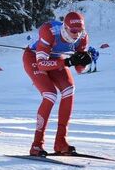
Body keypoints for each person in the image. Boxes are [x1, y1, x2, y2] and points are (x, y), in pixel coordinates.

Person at [23, 11, 92, 156]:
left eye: (80, 31)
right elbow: (41, 64)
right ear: (65, 28)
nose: (76, 34)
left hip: (55, 58)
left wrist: (85, 61)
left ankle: (60, 141)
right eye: (73, 31)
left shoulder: (83, 37)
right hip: (34, 58)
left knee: (69, 90)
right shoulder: (50, 31)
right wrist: (68, 61)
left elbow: (80, 70)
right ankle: (36, 144)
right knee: (50, 94)